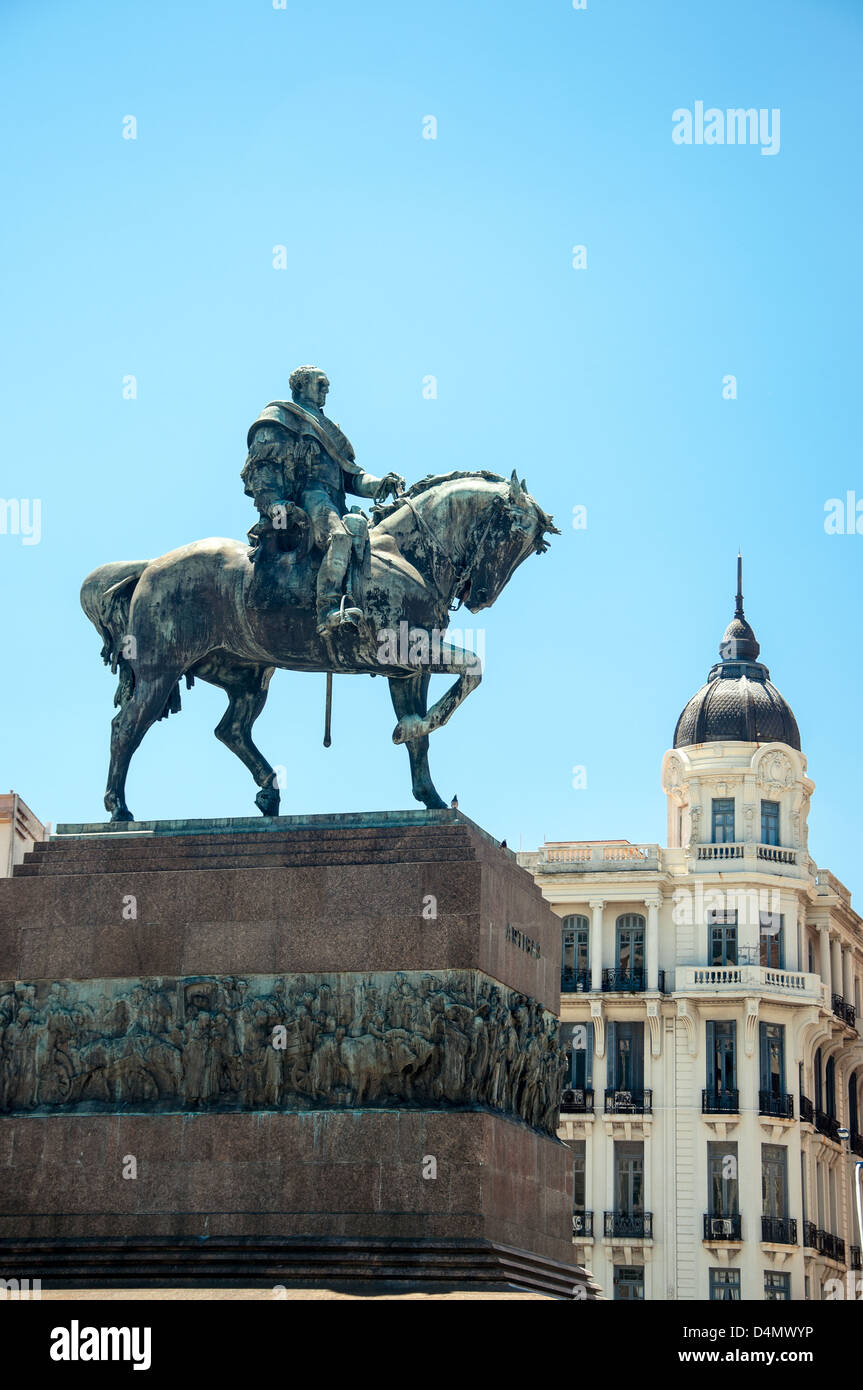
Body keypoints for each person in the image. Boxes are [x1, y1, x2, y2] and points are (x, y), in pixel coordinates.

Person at [243, 365, 404, 636]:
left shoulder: (330, 429)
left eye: (326, 385)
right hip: (309, 496)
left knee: (365, 535)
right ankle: (328, 608)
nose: (326, 389)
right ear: (300, 386)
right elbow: (263, 467)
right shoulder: (280, 417)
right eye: (320, 383)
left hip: (335, 502)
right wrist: (273, 503)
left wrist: (379, 484)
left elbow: (352, 476)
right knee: (339, 537)